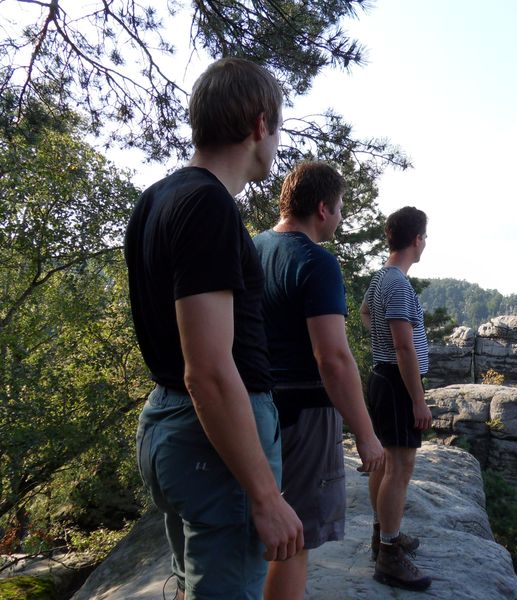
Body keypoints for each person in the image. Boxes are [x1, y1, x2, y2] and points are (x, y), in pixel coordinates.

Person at [125, 57, 302, 600]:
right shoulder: (208, 206)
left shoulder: (155, 199)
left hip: (169, 421)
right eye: (278, 128)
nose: (277, 142)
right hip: (213, 440)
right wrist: (265, 496)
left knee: (191, 586)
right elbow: (207, 369)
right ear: (259, 124)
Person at [253, 160, 385, 599]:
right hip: (305, 418)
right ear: (323, 209)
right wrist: (365, 434)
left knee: (256, 530)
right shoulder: (316, 261)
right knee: (294, 538)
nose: (342, 216)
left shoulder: (251, 250)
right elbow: (333, 358)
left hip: (250, 410)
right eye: (341, 206)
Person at [359, 206, 433, 591]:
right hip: (397, 383)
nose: (426, 243)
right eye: (426, 236)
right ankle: (389, 554)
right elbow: (405, 348)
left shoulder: (380, 278)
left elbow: (365, 312)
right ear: (416, 239)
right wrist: (418, 400)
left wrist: (380, 339)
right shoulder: (399, 284)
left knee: (385, 463)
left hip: (381, 378)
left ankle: (382, 534)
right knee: (400, 467)